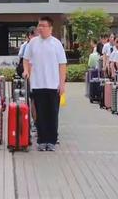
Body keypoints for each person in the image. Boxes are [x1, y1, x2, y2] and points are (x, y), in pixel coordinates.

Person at [23, 16, 67, 152]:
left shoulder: (56, 44)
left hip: (53, 85)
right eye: (39, 26)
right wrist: (26, 70)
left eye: (43, 26)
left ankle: (52, 140)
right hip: (37, 84)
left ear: (50, 28)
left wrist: (62, 83)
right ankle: (42, 140)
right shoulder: (33, 43)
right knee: (40, 114)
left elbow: (62, 65)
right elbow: (26, 59)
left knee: (52, 114)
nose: (40, 28)